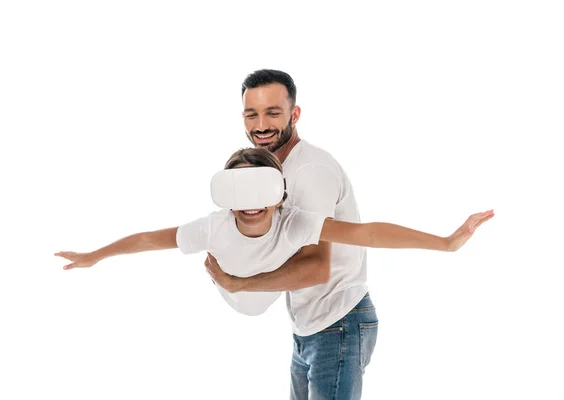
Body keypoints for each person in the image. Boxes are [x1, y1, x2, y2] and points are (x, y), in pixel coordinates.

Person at [56, 146, 493, 397]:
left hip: (338, 324)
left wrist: (447, 242)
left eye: (260, 188)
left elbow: (368, 234)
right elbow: (150, 238)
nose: (249, 202)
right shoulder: (213, 227)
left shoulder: (297, 222)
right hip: (302, 332)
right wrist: (95, 255)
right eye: (238, 188)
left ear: (279, 195)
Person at [202, 69, 493, 400]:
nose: (261, 125)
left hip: (336, 325)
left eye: (273, 112)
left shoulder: (309, 172)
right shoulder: (269, 173)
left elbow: (318, 266)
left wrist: (238, 283)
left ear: (294, 114)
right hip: (309, 329)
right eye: (251, 114)